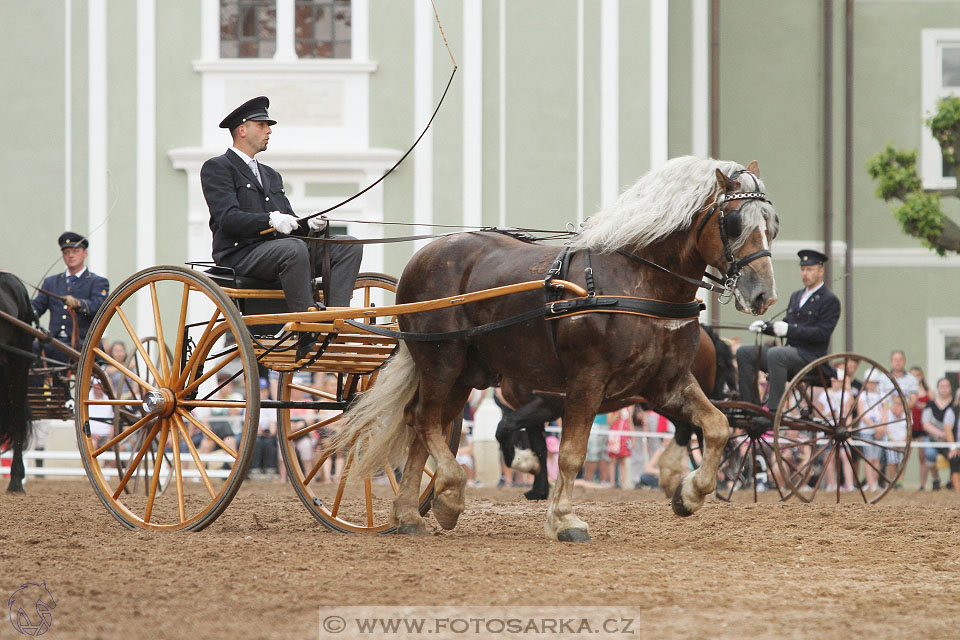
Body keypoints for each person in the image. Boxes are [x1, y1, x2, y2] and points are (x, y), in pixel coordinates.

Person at [200, 96, 363, 318]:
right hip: (241, 256)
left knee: (348, 246)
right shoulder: (218, 167)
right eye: (262, 125)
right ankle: (307, 320)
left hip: (280, 252)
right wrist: (269, 220)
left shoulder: (270, 174)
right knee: (292, 248)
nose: (269, 130)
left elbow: (290, 222)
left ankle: (336, 316)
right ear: (242, 130)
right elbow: (227, 218)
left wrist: (310, 225)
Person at [737, 249, 841, 412]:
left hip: (811, 358)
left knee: (776, 354)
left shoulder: (830, 300)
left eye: (810, 269)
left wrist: (790, 329)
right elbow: (785, 325)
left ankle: (773, 410)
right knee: (745, 352)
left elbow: (822, 333)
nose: (805, 273)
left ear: (821, 271)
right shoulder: (796, 296)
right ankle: (750, 406)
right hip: (789, 355)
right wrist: (765, 327)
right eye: (803, 269)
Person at [31, 232, 109, 358]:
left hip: (83, 344)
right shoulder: (51, 282)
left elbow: (99, 306)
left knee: (63, 351)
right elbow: (36, 307)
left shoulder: (97, 282)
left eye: (75, 251)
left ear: (85, 254)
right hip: (53, 342)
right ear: (63, 255)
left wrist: (79, 304)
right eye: (67, 252)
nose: (71, 255)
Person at [920, 377, 954, 491]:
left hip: (951, 440)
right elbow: (926, 423)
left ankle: (951, 480)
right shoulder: (930, 404)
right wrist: (941, 434)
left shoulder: (955, 404)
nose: (944, 389)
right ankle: (936, 480)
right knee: (929, 454)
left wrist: (949, 435)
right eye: (941, 386)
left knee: (955, 456)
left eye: (947, 386)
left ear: (950, 388)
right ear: (938, 388)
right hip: (934, 439)